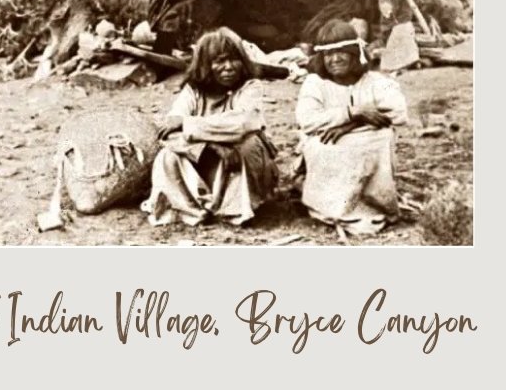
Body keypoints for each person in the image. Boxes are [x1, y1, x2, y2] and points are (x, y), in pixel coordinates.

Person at [141, 27, 279, 226]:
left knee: (248, 144)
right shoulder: (192, 92)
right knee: (167, 156)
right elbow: (169, 131)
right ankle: (191, 210)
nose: (229, 67)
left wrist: (188, 124)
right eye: (220, 61)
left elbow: (242, 123)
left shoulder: (250, 87)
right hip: (205, 160)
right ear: (206, 64)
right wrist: (209, 146)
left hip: (238, 163)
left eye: (234, 60)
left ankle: (235, 210)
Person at [295, 19, 408, 236]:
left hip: (366, 139)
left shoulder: (375, 81)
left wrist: (350, 124)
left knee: (380, 137)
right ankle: (331, 207)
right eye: (328, 54)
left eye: (341, 52)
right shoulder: (315, 83)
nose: (334, 59)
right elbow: (307, 120)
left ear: (354, 53)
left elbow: (399, 112)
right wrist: (352, 112)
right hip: (328, 141)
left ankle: (374, 205)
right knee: (323, 145)